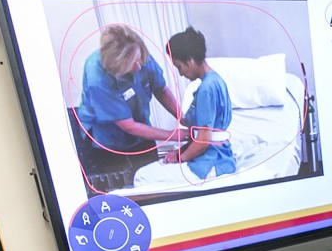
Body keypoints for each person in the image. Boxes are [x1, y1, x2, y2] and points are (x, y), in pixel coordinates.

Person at [75, 24, 182, 154]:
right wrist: (172, 135)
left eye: (139, 60)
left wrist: (183, 118)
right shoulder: (97, 75)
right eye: (132, 64)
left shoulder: (140, 55)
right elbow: (128, 125)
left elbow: (161, 89)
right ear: (117, 65)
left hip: (140, 127)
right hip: (105, 138)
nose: (139, 67)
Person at [162, 27, 237, 180]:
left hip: (212, 161)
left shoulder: (206, 90)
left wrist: (179, 158)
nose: (181, 73)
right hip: (220, 156)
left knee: (146, 176)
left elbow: (203, 140)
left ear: (190, 60)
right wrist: (179, 152)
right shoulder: (215, 80)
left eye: (179, 67)